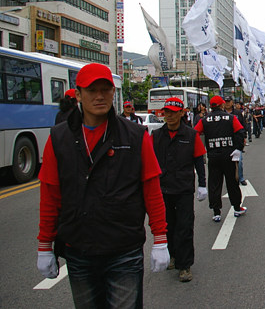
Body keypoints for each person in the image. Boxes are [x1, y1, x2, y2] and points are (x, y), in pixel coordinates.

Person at [37, 63, 169, 308]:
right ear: (78, 94)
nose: (99, 96)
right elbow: (50, 194)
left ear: (113, 93)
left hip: (124, 250)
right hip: (79, 250)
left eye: (105, 90)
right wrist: (45, 245)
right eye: (91, 90)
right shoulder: (59, 137)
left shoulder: (135, 135)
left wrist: (160, 239)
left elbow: (151, 190)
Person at [152, 97, 207, 282]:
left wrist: (202, 184)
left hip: (184, 189)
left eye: (173, 113)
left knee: (184, 227)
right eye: (166, 112)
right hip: (163, 188)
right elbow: (148, 161)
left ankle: (185, 265)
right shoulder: (156, 136)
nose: (169, 116)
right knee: (168, 225)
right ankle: (172, 256)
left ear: (181, 113)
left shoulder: (191, 135)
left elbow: (199, 160)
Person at [194, 96, 246, 222]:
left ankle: (216, 212)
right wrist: (238, 148)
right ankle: (237, 208)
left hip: (213, 156)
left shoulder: (205, 120)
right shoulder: (231, 118)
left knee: (214, 183)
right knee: (232, 182)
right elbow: (240, 132)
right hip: (229, 155)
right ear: (222, 105)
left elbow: (194, 133)